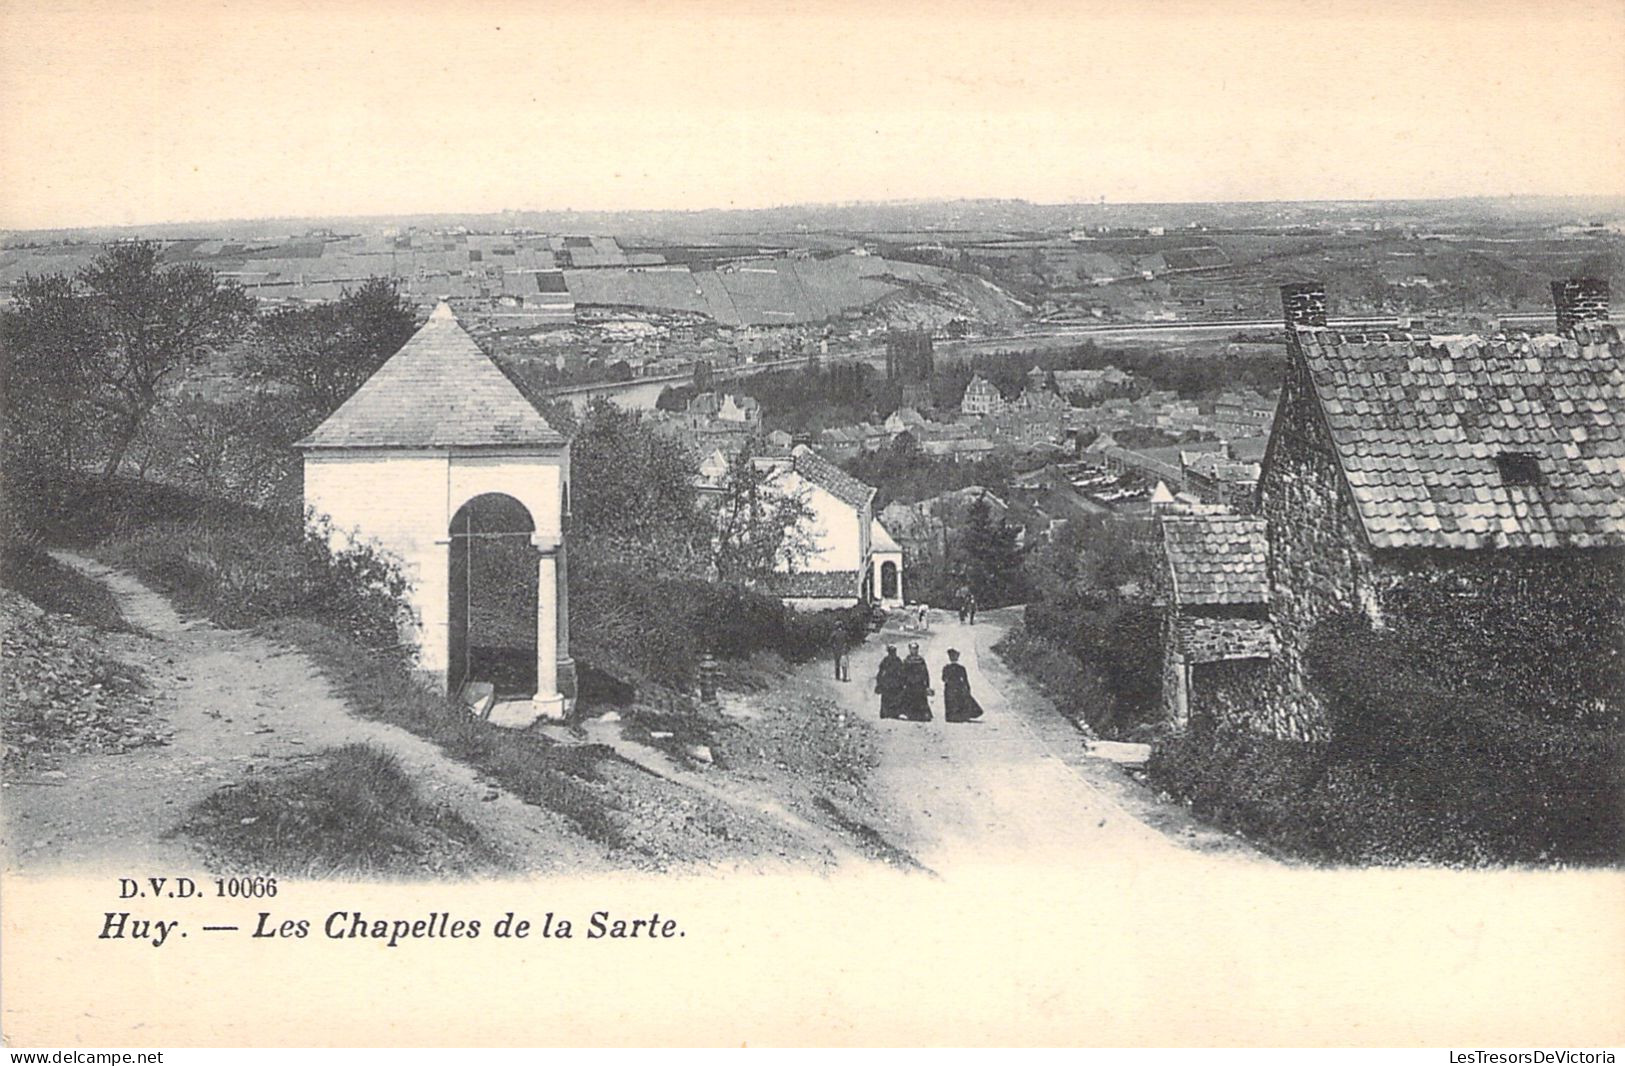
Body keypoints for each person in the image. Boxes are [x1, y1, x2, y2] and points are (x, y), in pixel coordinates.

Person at [941, 648, 984, 723]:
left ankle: (951, 717)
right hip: (957, 687)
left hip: (950, 688)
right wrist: (967, 688)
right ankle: (958, 716)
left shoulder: (946, 668)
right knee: (958, 701)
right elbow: (965, 680)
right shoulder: (960, 668)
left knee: (952, 702)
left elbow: (943, 679)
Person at [899, 642, 934, 721]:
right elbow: (903, 672)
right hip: (910, 683)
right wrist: (903, 682)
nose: (914, 650)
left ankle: (922, 715)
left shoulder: (920, 660)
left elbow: (925, 673)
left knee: (921, 699)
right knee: (908, 699)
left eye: (915, 649)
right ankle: (908, 714)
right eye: (912, 649)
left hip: (919, 684)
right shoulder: (907, 660)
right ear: (910, 650)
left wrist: (927, 685)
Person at [875, 644, 904, 719]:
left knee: (893, 698)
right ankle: (887, 712)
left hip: (892, 682)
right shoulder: (887, 660)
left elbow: (902, 671)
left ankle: (892, 713)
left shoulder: (896, 660)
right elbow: (881, 671)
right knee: (888, 697)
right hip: (889, 682)